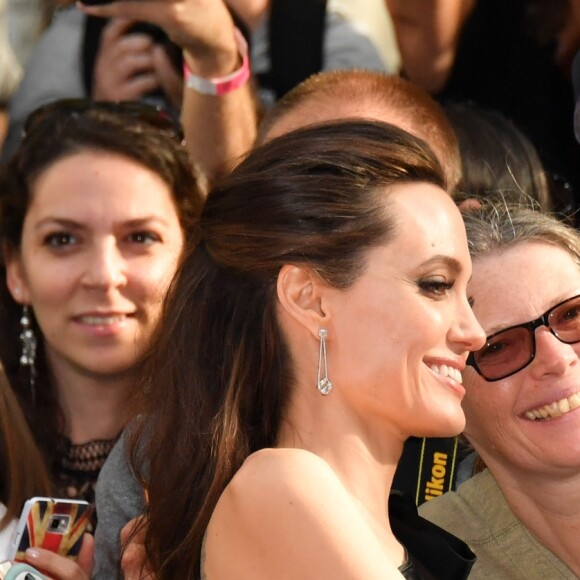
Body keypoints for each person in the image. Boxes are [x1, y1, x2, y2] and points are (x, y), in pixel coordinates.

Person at [91, 68, 465, 578]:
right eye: (437, 284)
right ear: (308, 298)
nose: (474, 330)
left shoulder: (393, 527)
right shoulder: (282, 485)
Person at [0, 99, 204, 531]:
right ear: (15, 269)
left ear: (187, 258)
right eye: (63, 240)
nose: (104, 276)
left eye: (140, 237)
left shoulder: (243, 453)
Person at [420, 200, 580, 578]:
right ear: (450, 390)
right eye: (498, 348)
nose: (556, 358)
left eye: (572, 315)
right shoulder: (413, 562)